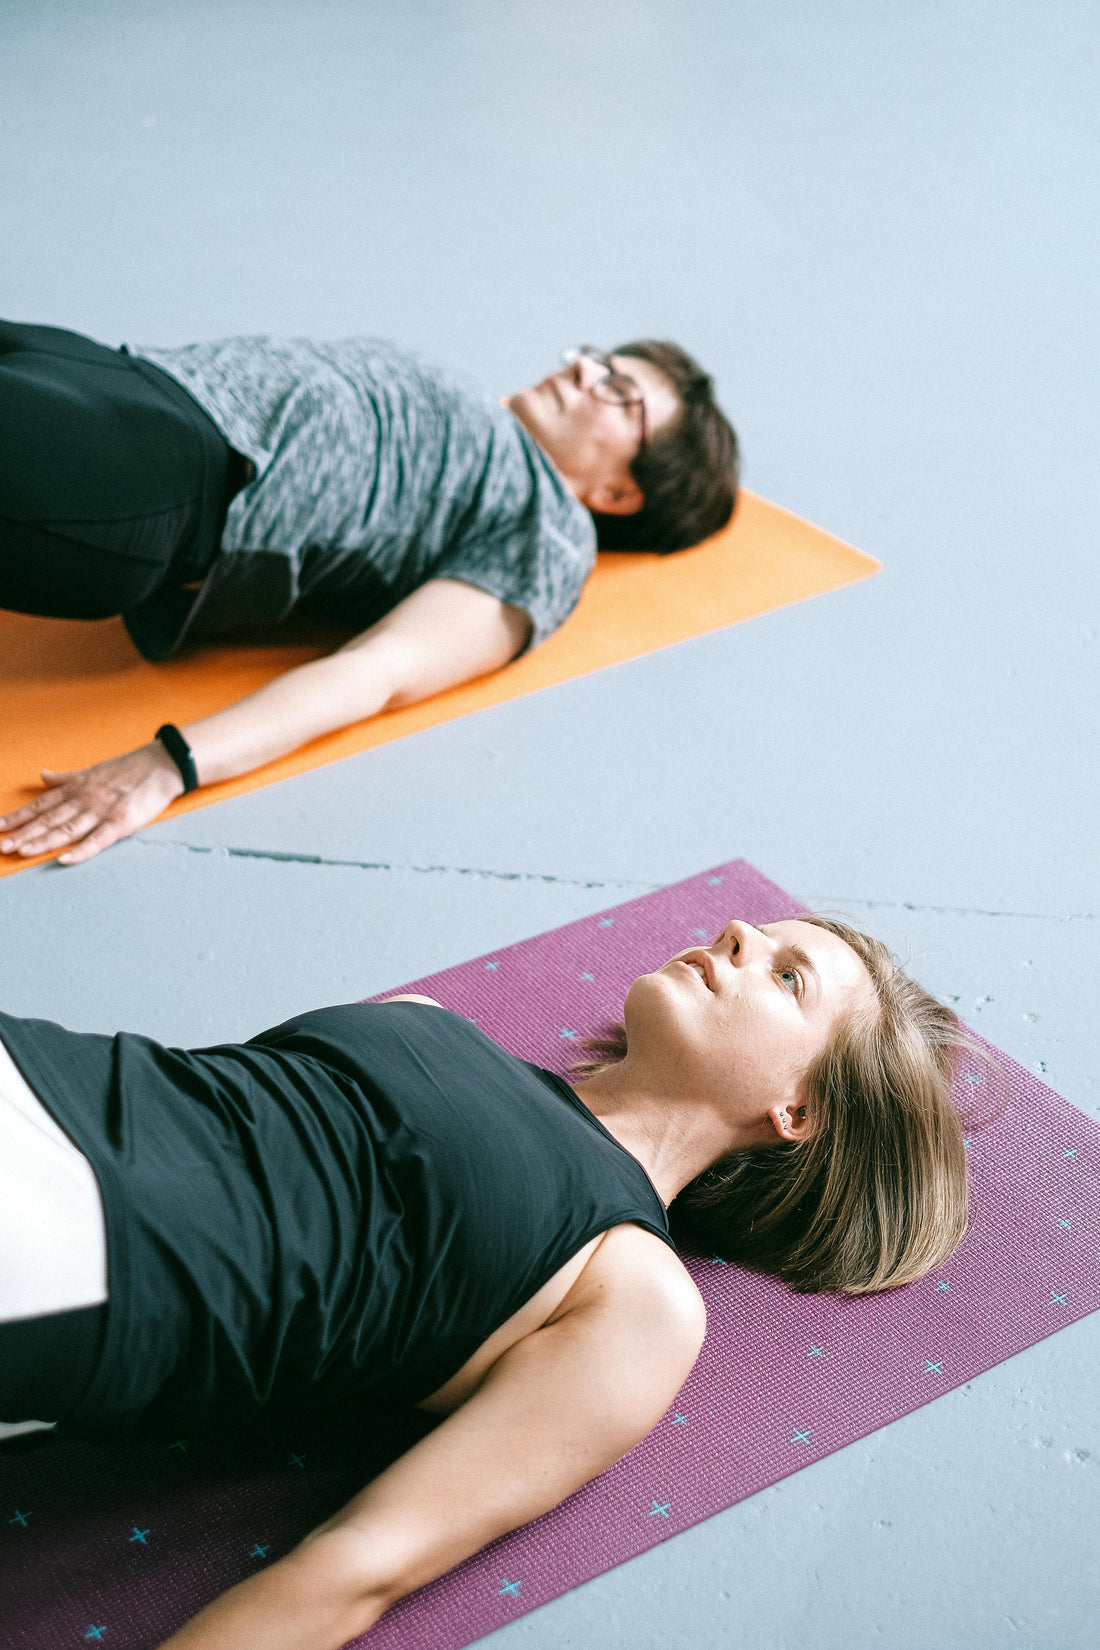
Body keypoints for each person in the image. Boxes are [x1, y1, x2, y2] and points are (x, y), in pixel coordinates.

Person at [0, 914, 969, 1650]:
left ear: (797, 1110)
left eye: (787, 976)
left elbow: (354, 1568)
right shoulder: (428, 1021)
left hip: (87, 1242)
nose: (737, 938)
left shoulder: (636, 1293)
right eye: (747, 934)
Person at [0, 321, 739, 865]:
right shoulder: (485, 416)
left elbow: (378, 670)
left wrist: (170, 765)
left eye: (618, 391)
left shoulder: (550, 537)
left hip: (168, 467)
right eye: (598, 359)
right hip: (119, 370)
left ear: (618, 494)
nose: (582, 370)